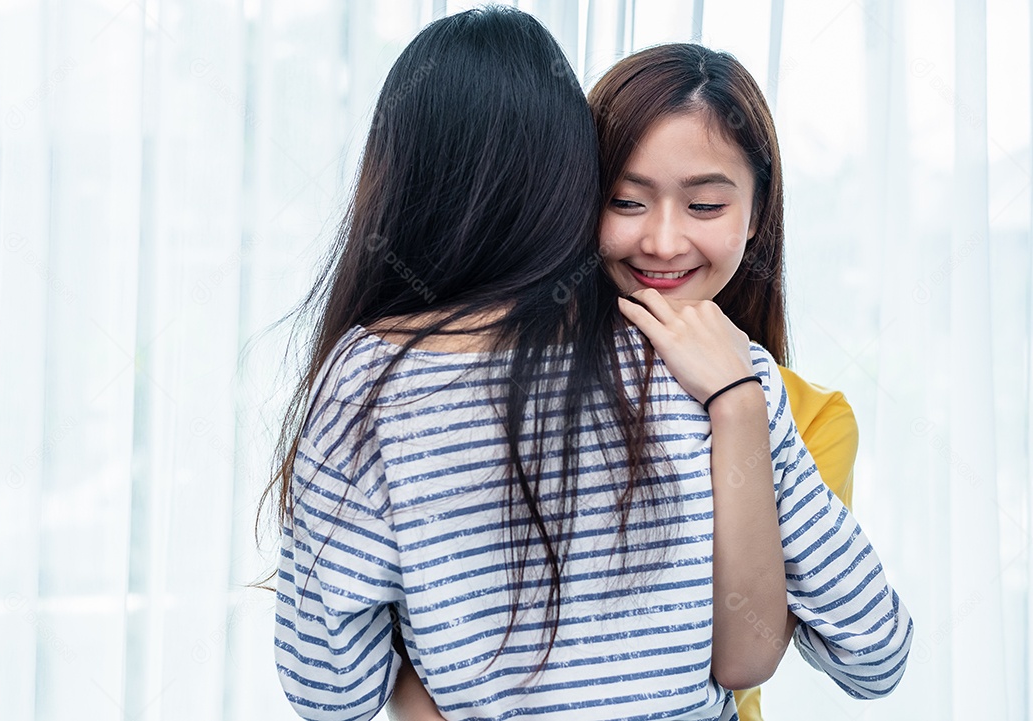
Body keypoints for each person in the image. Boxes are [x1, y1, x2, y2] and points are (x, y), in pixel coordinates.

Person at [269, 8, 911, 721]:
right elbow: (865, 652)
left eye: (703, 203)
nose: (663, 242)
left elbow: (332, 695)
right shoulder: (733, 374)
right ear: (577, 185)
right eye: (626, 200)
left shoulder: (366, 381)